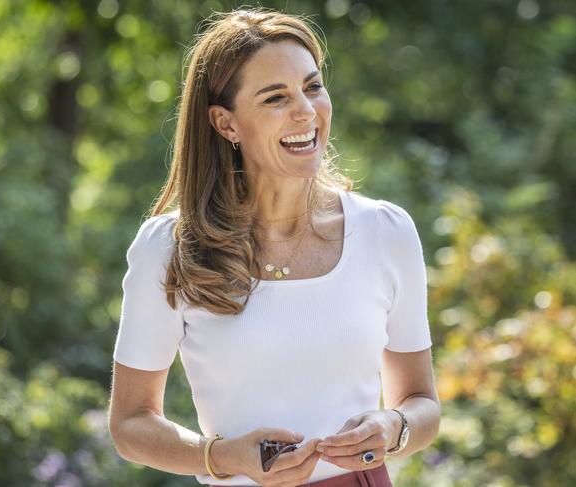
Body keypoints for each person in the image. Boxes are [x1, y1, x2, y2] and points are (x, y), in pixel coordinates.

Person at [108, 7, 441, 487]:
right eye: (275, 97)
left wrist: (394, 427)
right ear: (226, 124)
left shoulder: (386, 231)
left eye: (312, 87)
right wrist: (221, 457)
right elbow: (130, 424)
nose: (305, 111)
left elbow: (422, 404)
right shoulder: (170, 249)